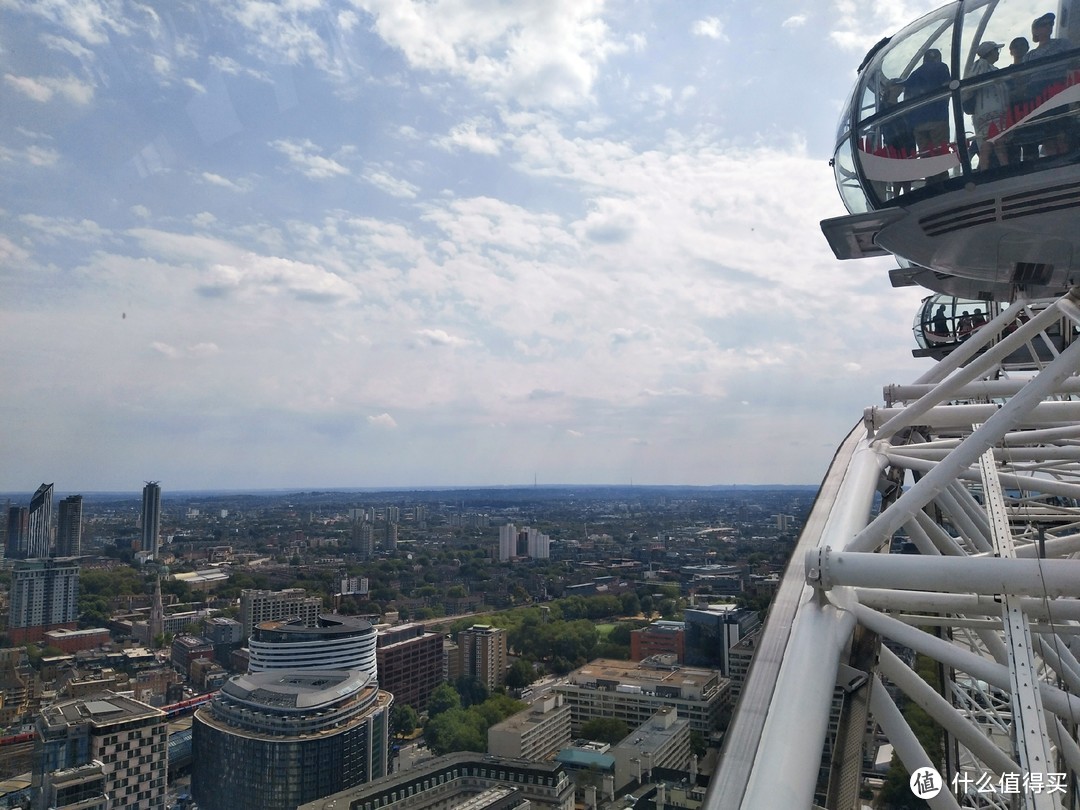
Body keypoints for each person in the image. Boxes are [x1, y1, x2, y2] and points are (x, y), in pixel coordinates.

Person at [966, 41, 1009, 168]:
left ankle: (986, 169)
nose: (997, 54)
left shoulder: (980, 67)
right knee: (997, 141)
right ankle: (1004, 168)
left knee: (988, 141)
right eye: (996, 50)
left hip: (986, 111)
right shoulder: (982, 66)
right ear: (990, 52)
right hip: (990, 110)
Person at [902, 49, 952, 158]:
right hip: (938, 119)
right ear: (938, 58)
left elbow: (906, 100)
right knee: (940, 156)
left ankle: (930, 175)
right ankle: (941, 174)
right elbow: (947, 90)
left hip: (918, 124)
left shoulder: (914, 75)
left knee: (926, 157)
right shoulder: (942, 67)